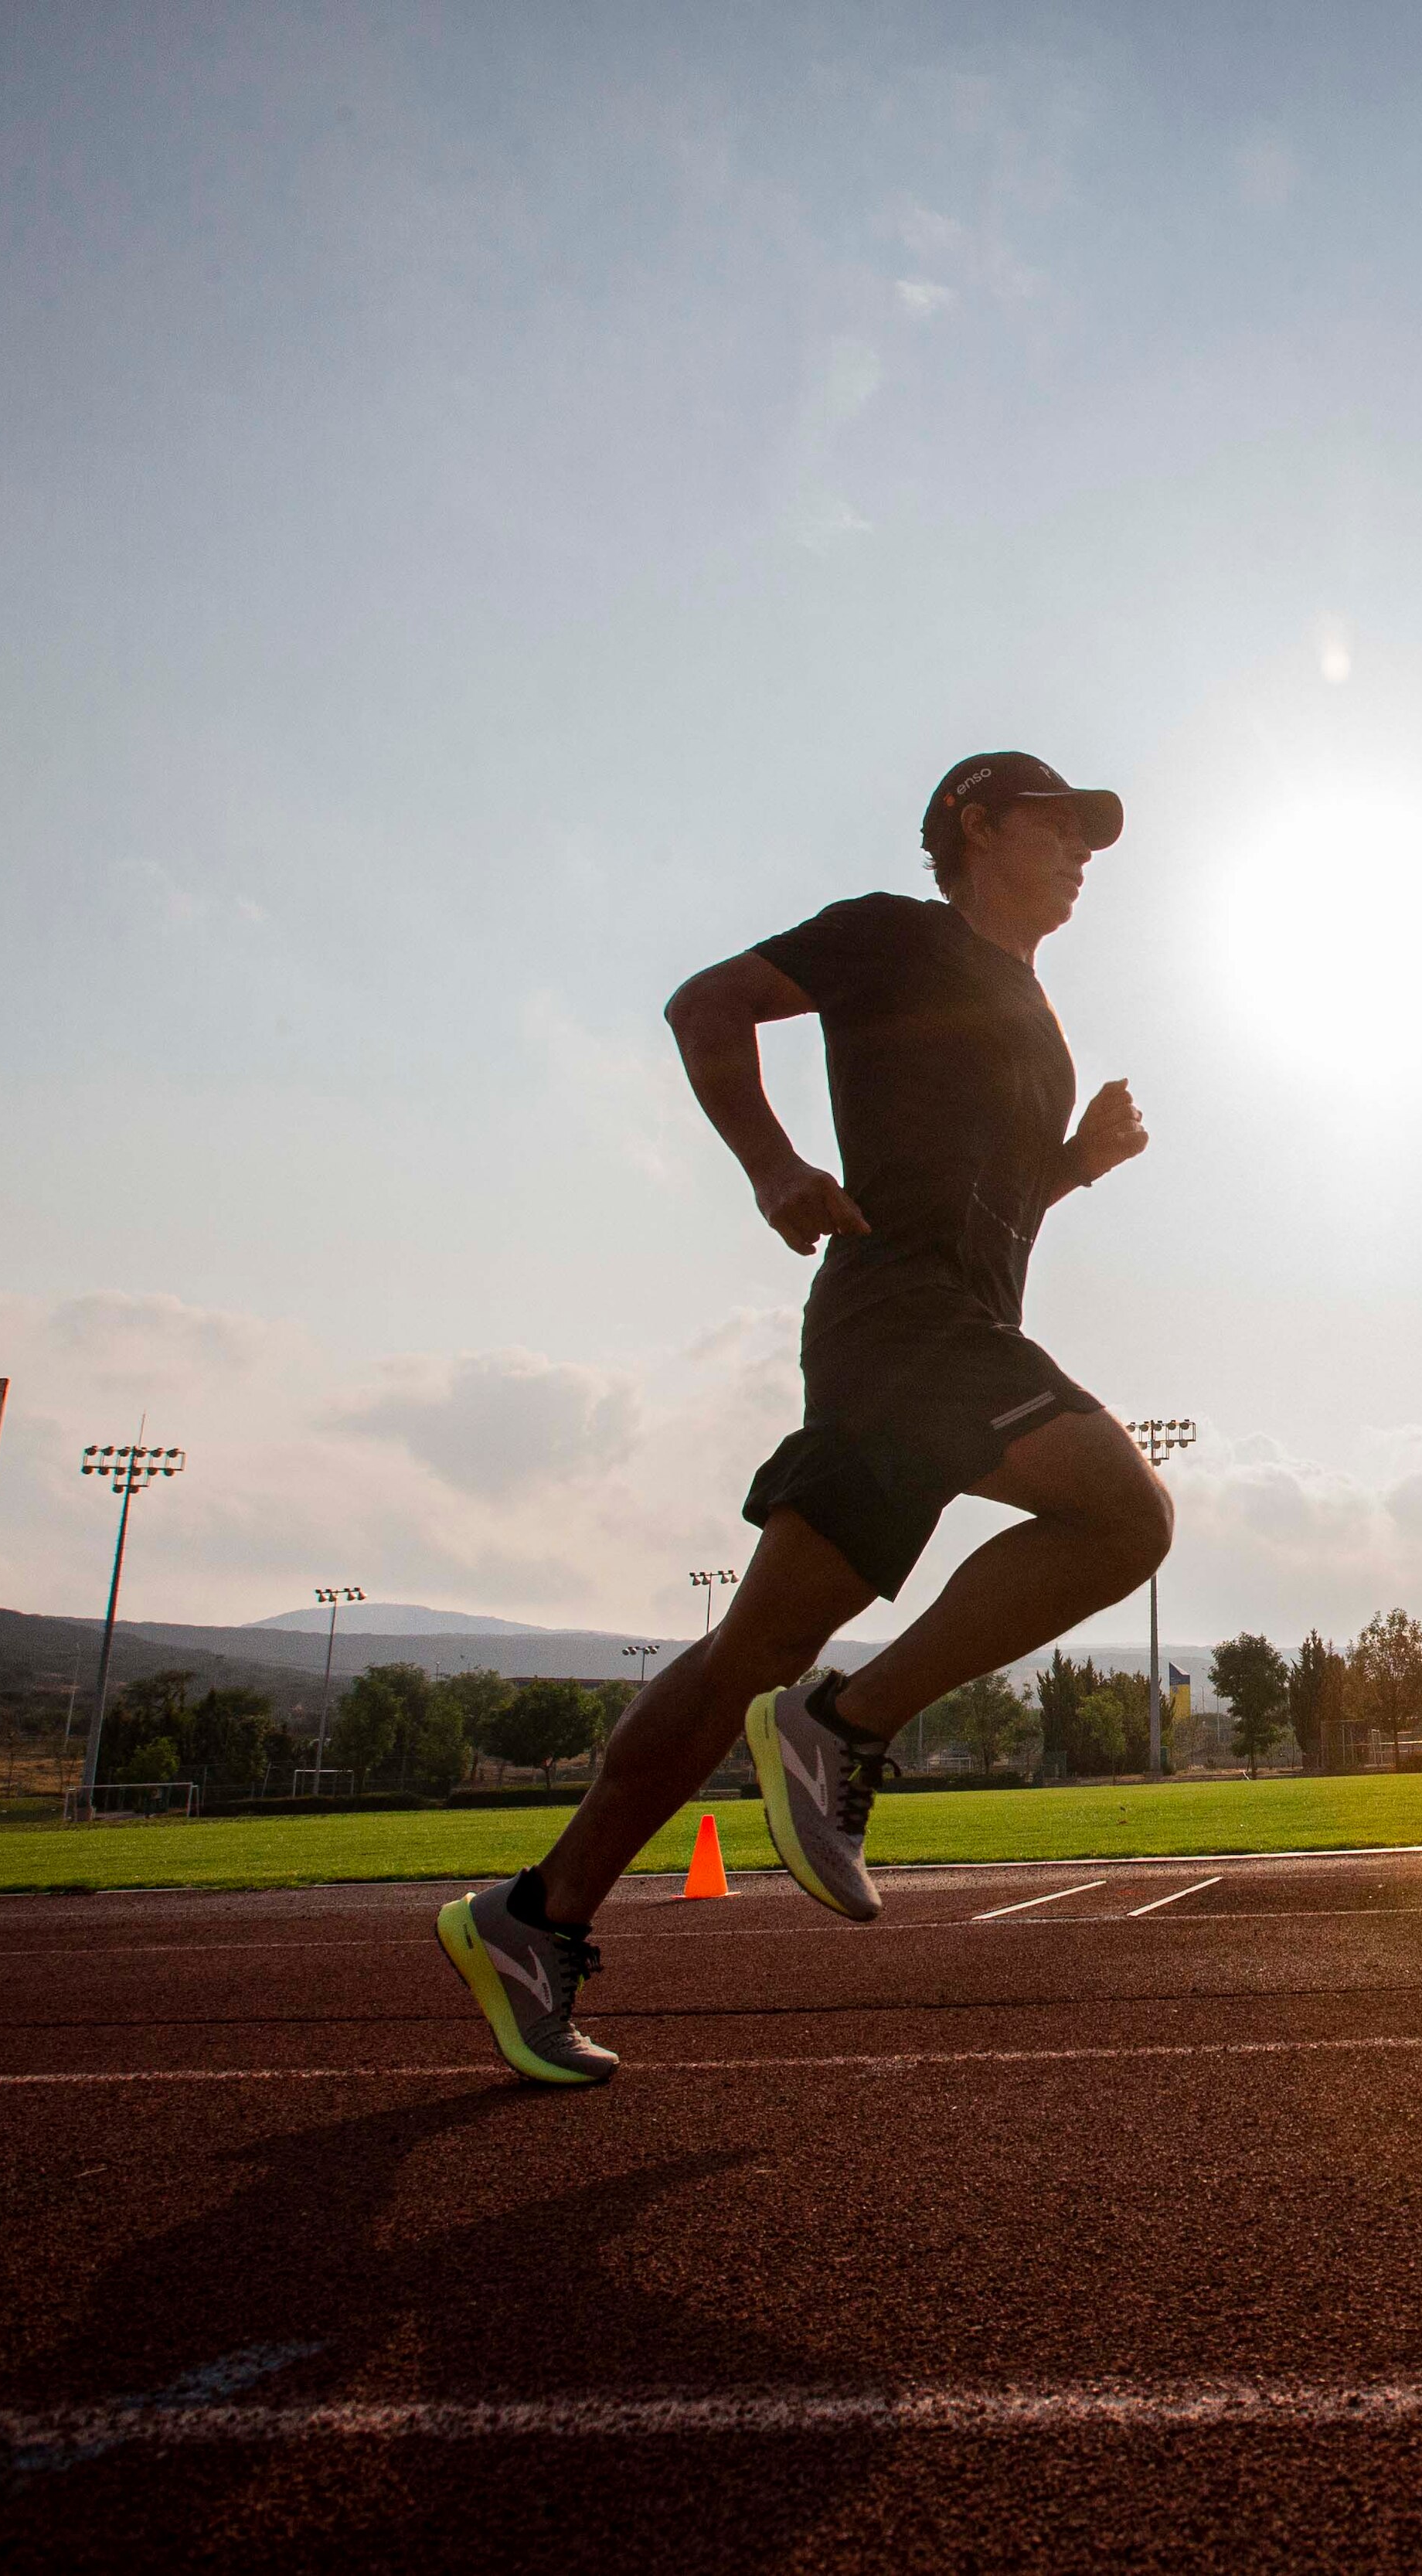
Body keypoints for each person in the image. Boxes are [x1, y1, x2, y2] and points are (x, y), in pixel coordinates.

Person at [437, 751, 1171, 2084]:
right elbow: (706, 1002)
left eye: (1090, 838)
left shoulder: (1032, 1008)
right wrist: (772, 1166)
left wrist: (1075, 1163)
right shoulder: (894, 934)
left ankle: (533, 1921)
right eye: (1060, 826)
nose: (1082, 853)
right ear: (976, 823)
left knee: (741, 1660)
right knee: (1126, 1514)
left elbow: (991, 1208)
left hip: (939, 1333)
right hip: (904, 1323)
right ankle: (844, 1725)